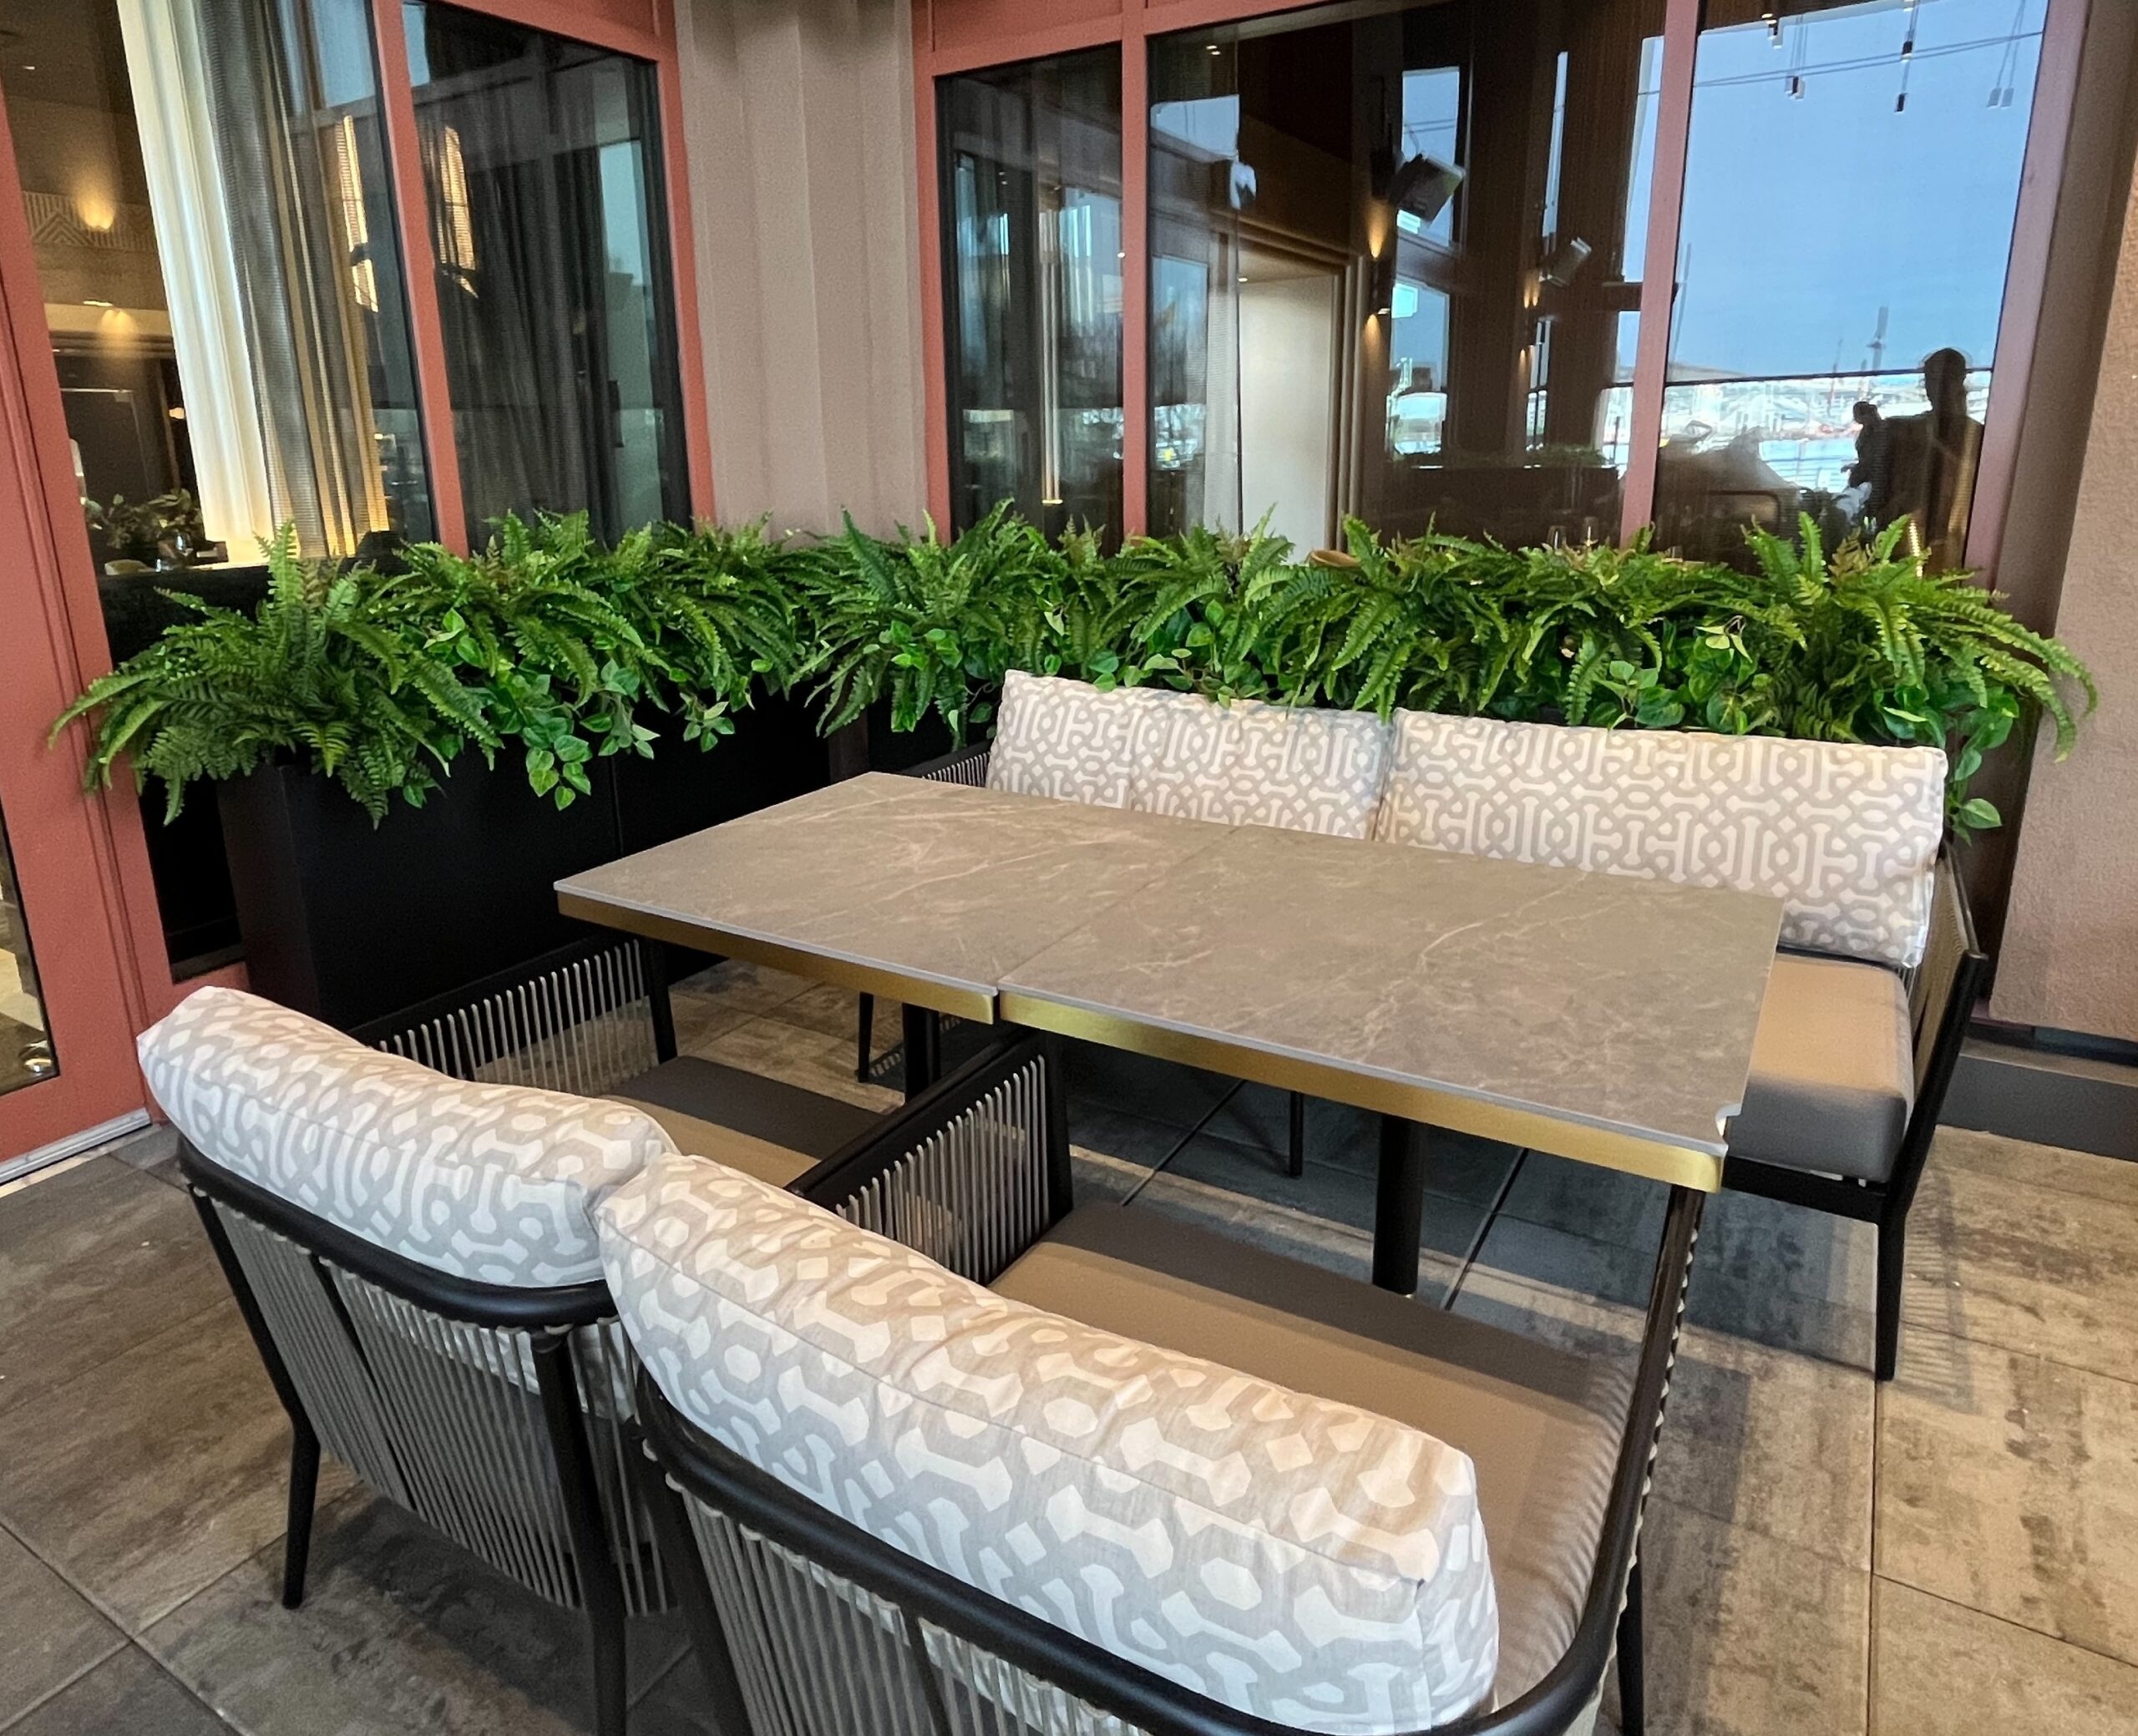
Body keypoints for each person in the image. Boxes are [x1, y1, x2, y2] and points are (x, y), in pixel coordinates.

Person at [1862, 347, 1983, 569]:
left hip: (1958, 545)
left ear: (1960, 381)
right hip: (1904, 542)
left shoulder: (1978, 438)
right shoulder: (1902, 430)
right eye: (1931, 380)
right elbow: (1874, 485)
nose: (1936, 388)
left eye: (1945, 380)